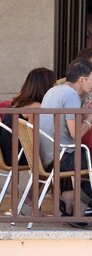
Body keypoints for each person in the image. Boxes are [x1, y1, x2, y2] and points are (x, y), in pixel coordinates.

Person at [39, 58, 92, 217]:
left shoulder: (55, 90)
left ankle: (70, 197)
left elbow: (65, 123)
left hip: (47, 155)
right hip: (62, 158)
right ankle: (80, 203)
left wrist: (84, 110)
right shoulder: (71, 96)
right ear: (82, 80)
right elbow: (76, 135)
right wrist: (91, 117)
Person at [0, 67, 56, 215]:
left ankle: (29, 200)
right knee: (59, 162)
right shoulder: (37, 107)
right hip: (19, 155)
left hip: (8, 153)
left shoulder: (16, 102)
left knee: (54, 160)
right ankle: (29, 200)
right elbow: (36, 138)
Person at [0, 67, 56, 166]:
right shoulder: (37, 107)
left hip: (6, 155)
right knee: (59, 157)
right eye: (54, 85)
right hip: (18, 157)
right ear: (46, 86)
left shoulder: (16, 102)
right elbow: (31, 138)